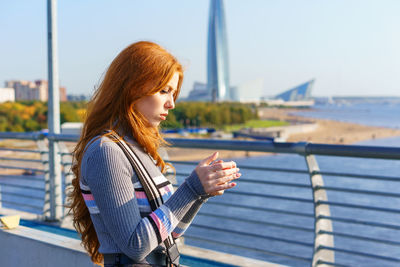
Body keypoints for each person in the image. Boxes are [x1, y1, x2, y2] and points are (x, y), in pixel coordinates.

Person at [69, 41, 241, 267]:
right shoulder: (107, 151)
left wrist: (200, 193)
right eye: (164, 91)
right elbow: (135, 246)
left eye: (173, 93)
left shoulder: (137, 148)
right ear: (133, 87)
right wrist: (190, 189)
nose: (171, 103)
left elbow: (170, 233)